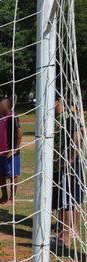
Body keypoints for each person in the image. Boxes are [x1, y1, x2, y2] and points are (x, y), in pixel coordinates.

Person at [51, 96, 84, 251]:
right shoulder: (60, 118)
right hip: (69, 165)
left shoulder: (67, 118)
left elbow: (77, 139)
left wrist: (70, 159)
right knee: (74, 200)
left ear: (58, 100)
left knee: (66, 202)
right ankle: (72, 231)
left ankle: (64, 238)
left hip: (67, 166)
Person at [0, 97, 22, 204]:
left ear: (6, 106)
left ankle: (12, 198)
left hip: (11, 150)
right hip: (1, 150)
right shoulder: (0, 116)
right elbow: (0, 129)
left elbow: (19, 133)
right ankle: (4, 196)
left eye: (1, 105)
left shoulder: (12, 116)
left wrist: (15, 149)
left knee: (12, 175)